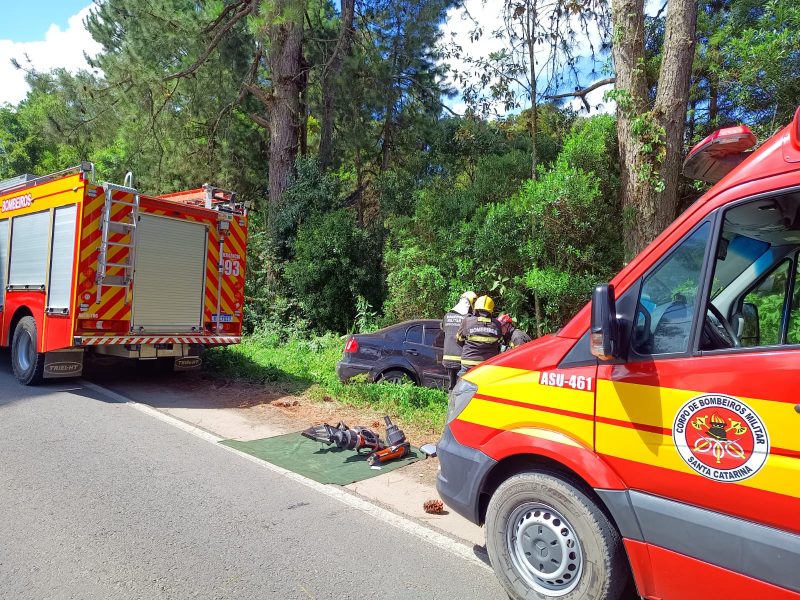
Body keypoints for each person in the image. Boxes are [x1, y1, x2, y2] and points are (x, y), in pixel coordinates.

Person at [456, 295, 503, 377]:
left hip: (468, 363)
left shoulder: (467, 321)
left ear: (476, 309)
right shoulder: (497, 324)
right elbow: (499, 343)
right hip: (487, 365)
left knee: (463, 387)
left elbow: (459, 340)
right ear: (491, 310)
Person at [441, 291, 477, 390]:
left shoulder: (447, 316)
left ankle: (451, 405)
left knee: (451, 388)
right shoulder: (467, 318)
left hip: (447, 358)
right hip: (461, 359)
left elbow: (444, 330)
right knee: (462, 389)